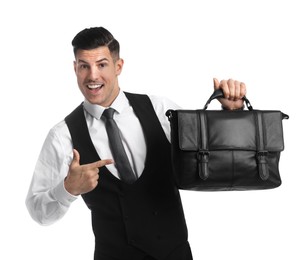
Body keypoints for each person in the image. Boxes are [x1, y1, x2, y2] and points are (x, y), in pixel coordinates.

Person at [25, 27, 247, 260]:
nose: (92, 76)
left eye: (102, 65)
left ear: (118, 66)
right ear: (75, 69)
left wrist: (231, 114)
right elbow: (37, 210)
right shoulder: (63, 136)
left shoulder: (161, 110)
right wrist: (68, 188)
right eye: (84, 66)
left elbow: (212, 161)